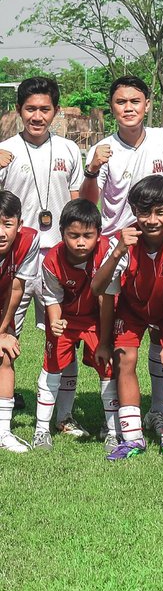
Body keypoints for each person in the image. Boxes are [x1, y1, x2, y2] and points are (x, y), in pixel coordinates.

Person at [80, 75, 163, 438]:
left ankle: (156, 411)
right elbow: (88, 203)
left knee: (159, 329)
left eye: (135, 101)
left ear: (147, 105)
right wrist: (92, 167)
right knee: (111, 335)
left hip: (158, 246)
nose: (128, 108)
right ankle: (116, 423)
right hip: (117, 250)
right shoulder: (103, 148)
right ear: (112, 107)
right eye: (121, 102)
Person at [92, 176, 163, 461]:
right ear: (133, 210)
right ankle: (133, 438)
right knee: (124, 358)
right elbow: (99, 289)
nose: (151, 220)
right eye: (143, 212)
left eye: (160, 212)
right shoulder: (126, 239)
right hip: (133, 309)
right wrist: (117, 251)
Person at [0, 76, 84, 423]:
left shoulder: (68, 149)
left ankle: (62, 416)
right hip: (16, 256)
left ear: (56, 111)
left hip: (57, 259)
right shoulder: (5, 150)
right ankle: (4, 407)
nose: (37, 116)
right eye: (31, 109)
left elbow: (77, 202)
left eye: (45, 109)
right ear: (19, 110)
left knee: (61, 333)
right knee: (6, 332)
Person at [36, 200, 116, 453]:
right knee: (53, 366)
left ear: (98, 234)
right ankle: (42, 429)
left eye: (87, 235)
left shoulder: (107, 252)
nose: (81, 242)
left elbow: (107, 298)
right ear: (62, 234)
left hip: (96, 318)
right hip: (66, 319)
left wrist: (104, 341)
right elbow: (51, 297)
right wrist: (55, 321)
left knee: (107, 366)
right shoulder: (52, 259)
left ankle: (113, 430)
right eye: (74, 235)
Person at [0, 192, 41, 452]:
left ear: (20, 223)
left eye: (7, 224)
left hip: (3, 307)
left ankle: (3, 432)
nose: (1, 232)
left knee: (6, 353)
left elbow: (17, 290)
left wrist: (3, 331)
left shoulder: (30, 240)